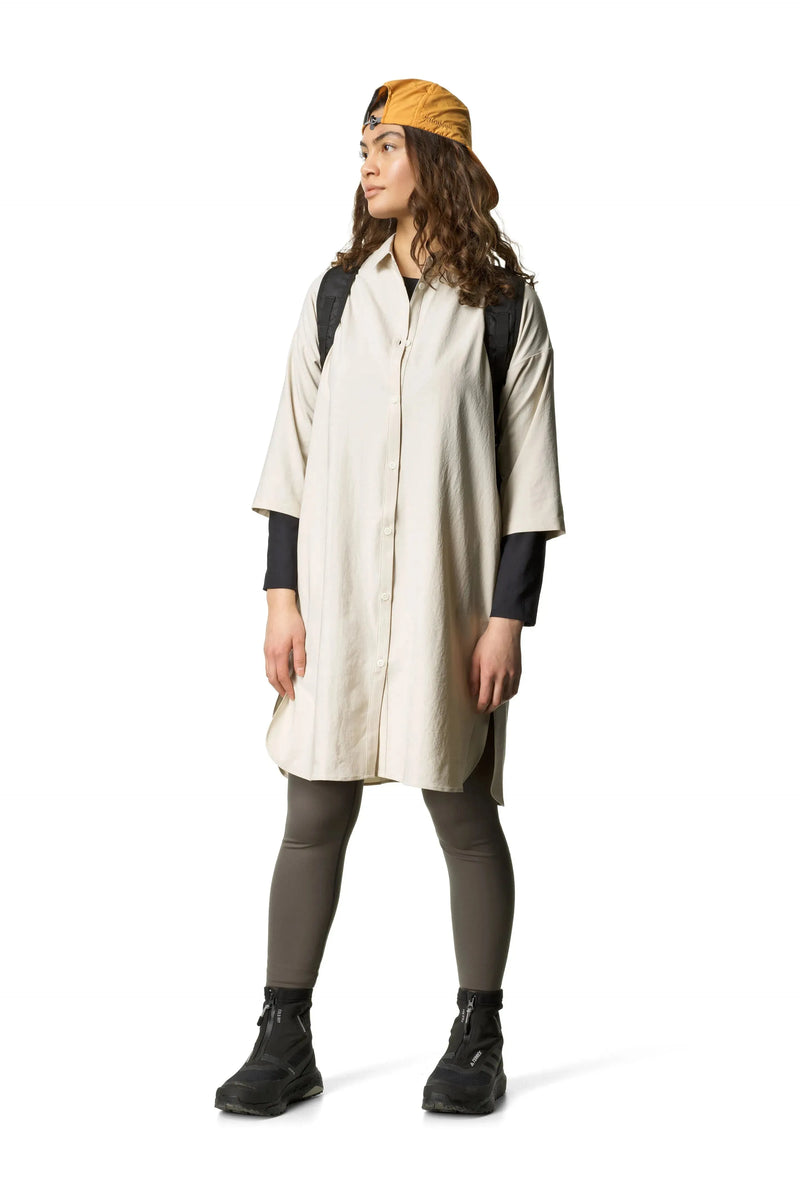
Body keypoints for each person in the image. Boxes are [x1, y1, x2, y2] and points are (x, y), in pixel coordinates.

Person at [215, 78, 566, 1119]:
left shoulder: (503, 307)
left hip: (448, 609)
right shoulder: (336, 296)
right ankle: (284, 1036)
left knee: (461, 807)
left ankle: (477, 1032)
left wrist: (506, 618)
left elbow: (530, 480)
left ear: (435, 161)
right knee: (313, 805)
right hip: (336, 599)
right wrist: (280, 596)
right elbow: (293, 450)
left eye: (385, 146)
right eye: (362, 148)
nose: (365, 165)